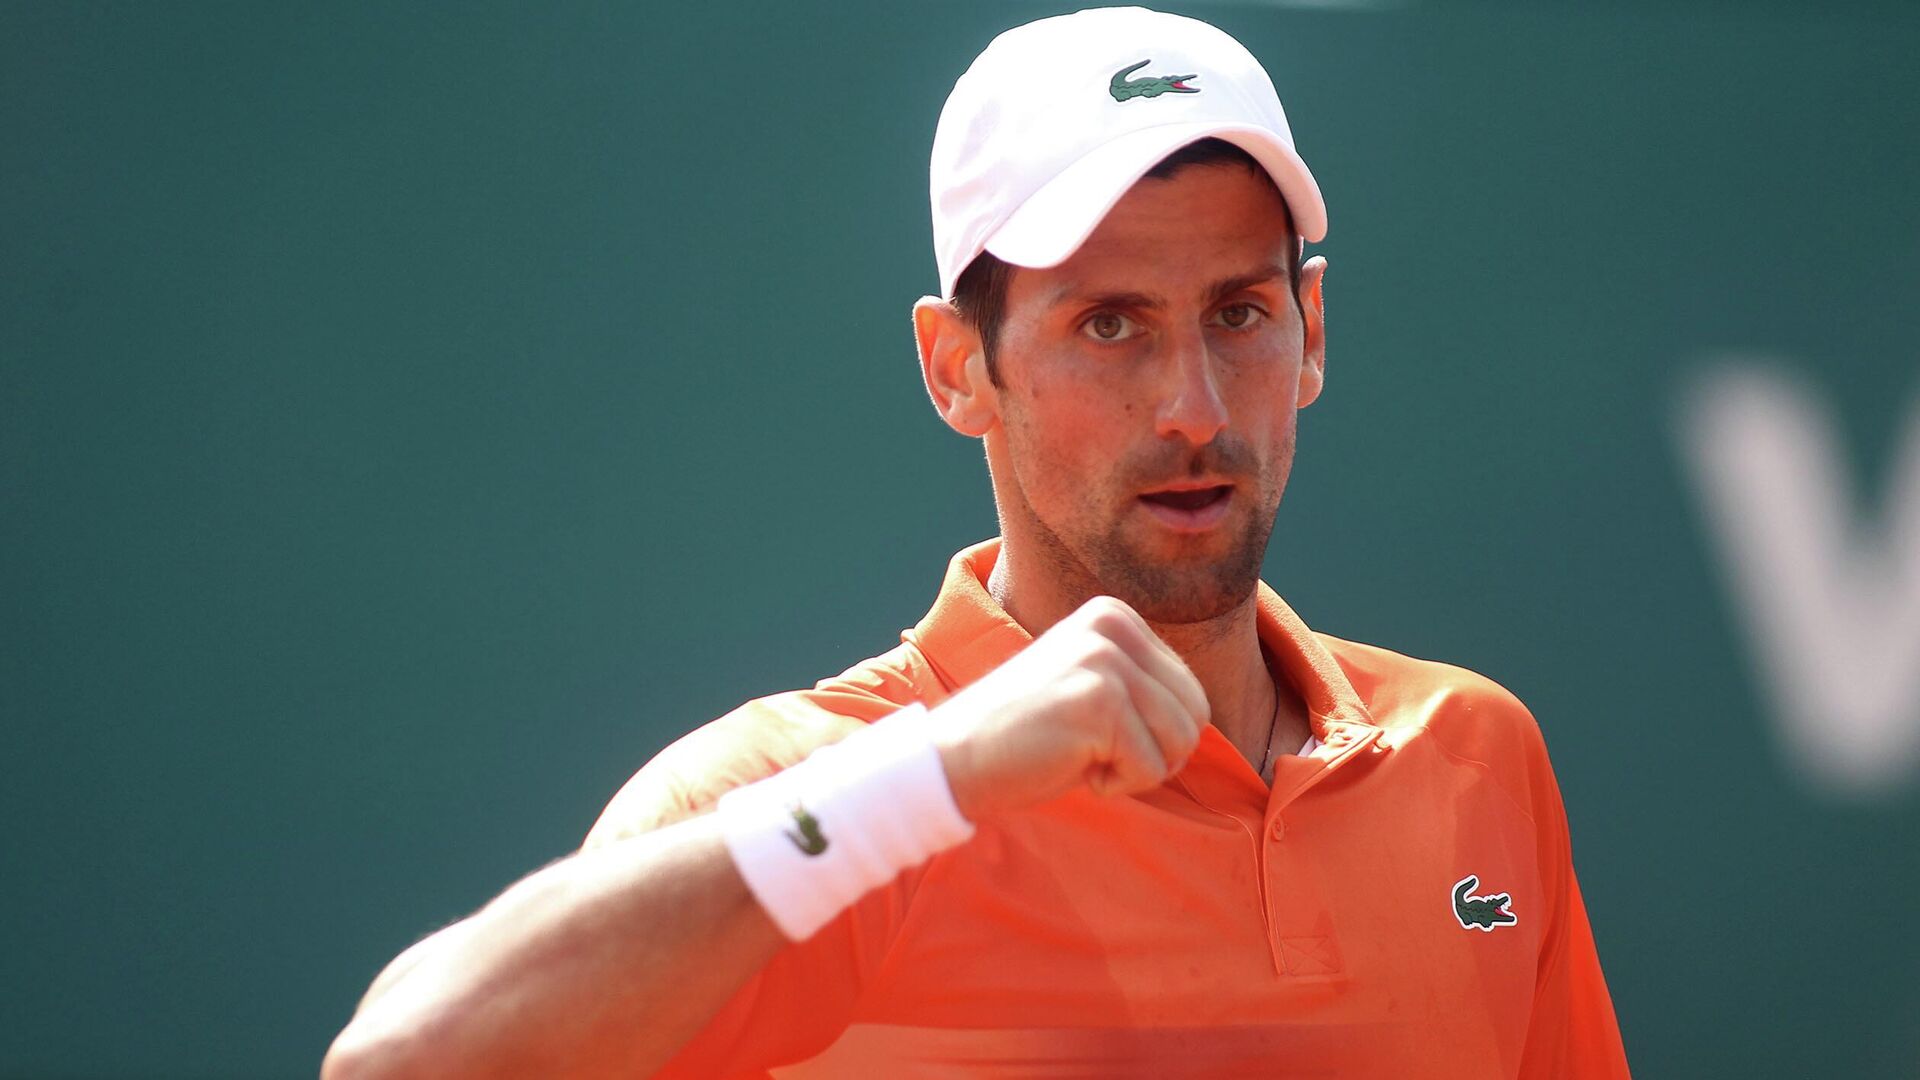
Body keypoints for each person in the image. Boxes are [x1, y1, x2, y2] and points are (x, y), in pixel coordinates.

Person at [323, 7, 1630, 1078]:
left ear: (1313, 332)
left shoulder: (1474, 755)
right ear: (958, 367)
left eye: (1239, 313)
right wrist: (933, 778)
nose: (1194, 407)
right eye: (1109, 326)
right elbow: (401, 1063)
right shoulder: (832, 788)